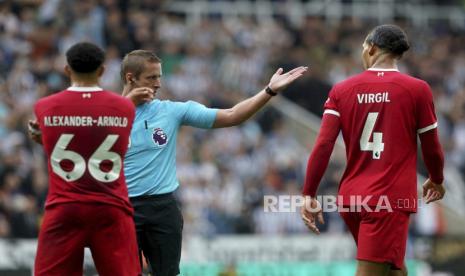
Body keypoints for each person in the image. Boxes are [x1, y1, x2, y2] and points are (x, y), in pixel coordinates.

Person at [121, 50, 307, 275]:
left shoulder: (170, 111)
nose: (158, 83)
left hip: (163, 208)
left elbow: (232, 115)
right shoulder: (107, 114)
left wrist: (269, 91)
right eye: (151, 78)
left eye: (160, 76)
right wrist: (124, 106)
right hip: (123, 207)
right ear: (131, 78)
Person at [300, 25, 445, 276]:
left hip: (352, 199)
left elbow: (323, 145)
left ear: (371, 47)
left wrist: (309, 193)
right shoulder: (417, 89)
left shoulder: (342, 90)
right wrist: (437, 179)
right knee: (375, 270)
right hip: (387, 200)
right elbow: (431, 146)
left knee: (393, 269)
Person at [30, 42, 141, 276]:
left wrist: (43, 137)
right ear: (102, 70)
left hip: (64, 207)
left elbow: (74, 138)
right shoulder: (125, 107)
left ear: (67, 69)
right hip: (111, 207)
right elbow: (95, 136)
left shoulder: (44, 107)